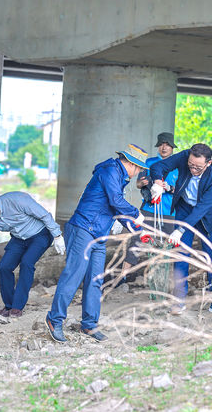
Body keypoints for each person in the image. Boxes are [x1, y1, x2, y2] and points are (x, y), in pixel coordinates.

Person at [45, 144, 147, 343]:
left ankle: (89, 325)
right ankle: (54, 319)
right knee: (74, 275)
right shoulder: (110, 171)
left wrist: (135, 227)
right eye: (139, 169)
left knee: (95, 279)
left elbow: (114, 208)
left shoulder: (119, 177)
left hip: (99, 233)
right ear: (132, 164)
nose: (139, 173)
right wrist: (137, 215)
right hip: (83, 228)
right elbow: (117, 201)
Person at [0, 189, 65, 317]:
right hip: (19, 239)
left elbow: (44, 215)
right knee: (4, 267)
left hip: (40, 234)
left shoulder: (17, 200)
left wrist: (57, 235)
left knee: (26, 263)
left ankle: (17, 307)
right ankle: (9, 306)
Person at [149, 143, 212, 315]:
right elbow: (158, 166)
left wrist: (180, 229)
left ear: (209, 163)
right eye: (190, 166)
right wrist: (158, 182)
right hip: (184, 208)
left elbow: (201, 209)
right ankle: (178, 300)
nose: (193, 170)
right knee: (181, 254)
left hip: (207, 216)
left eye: (198, 167)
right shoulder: (184, 157)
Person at [121, 132, 179, 276]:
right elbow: (138, 184)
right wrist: (142, 183)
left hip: (169, 211)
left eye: (167, 145)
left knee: (168, 245)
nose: (164, 148)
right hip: (148, 208)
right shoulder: (149, 163)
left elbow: (181, 190)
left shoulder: (179, 166)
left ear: (172, 147)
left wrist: (170, 188)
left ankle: (163, 279)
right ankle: (122, 276)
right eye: (161, 145)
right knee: (136, 240)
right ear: (158, 146)